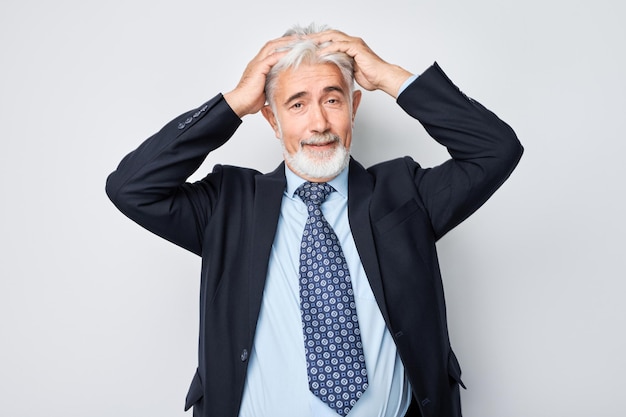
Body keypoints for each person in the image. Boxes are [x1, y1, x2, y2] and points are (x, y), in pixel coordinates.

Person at [106, 23, 523, 417]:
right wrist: (233, 103)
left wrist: (390, 77)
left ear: (354, 107)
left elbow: (496, 149)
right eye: (297, 104)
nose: (319, 123)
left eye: (332, 99)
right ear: (272, 118)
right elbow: (130, 187)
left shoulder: (404, 192)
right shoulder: (227, 204)